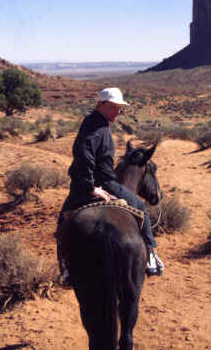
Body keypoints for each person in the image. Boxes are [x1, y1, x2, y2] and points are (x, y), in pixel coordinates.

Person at [59, 87, 164, 276]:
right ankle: (151, 255)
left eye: (120, 108)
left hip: (82, 183)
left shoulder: (97, 123)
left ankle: (65, 266)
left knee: (63, 220)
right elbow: (85, 155)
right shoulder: (97, 127)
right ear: (101, 104)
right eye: (114, 108)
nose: (118, 112)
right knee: (139, 205)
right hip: (101, 182)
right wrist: (91, 188)